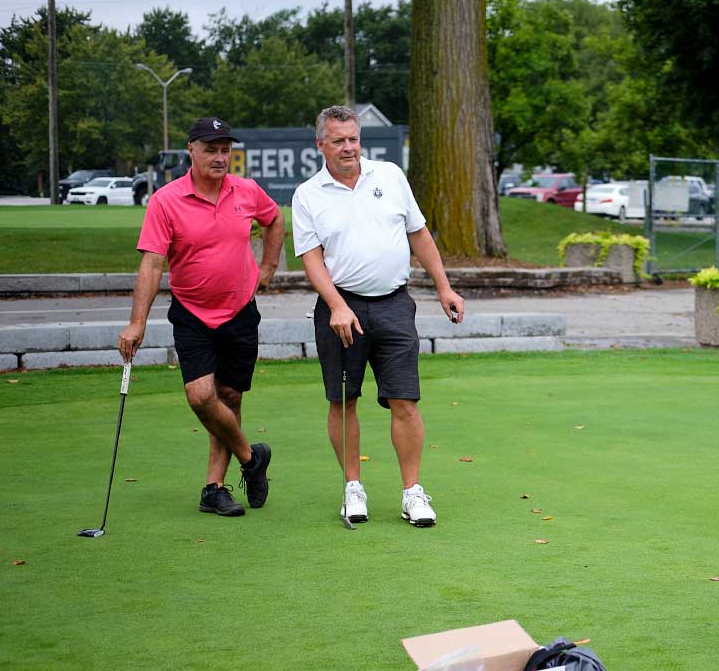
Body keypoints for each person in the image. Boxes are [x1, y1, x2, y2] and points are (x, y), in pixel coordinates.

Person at [291, 105, 465, 527]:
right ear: (321, 145)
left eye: (353, 138)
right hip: (341, 310)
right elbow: (312, 260)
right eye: (338, 141)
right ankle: (353, 487)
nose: (348, 147)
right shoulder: (307, 195)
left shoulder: (389, 176)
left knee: (405, 400)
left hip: (394, 305)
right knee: (343, 400)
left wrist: (443, 286)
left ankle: (412, 493)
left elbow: (418, 233)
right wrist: (336, 305)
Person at [118, 117, 282, 517]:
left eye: (226, 150)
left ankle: (215, 488)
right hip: (192, 313)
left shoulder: (246, 191)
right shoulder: (166, 200)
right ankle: (250, 457)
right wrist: (137, 322)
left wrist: (269, 267)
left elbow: (274, 219)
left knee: (230, 396)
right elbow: (152, 265)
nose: (220, 157)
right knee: (200, 395)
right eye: (211, 149)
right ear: (191, 150)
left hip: (240, 311)